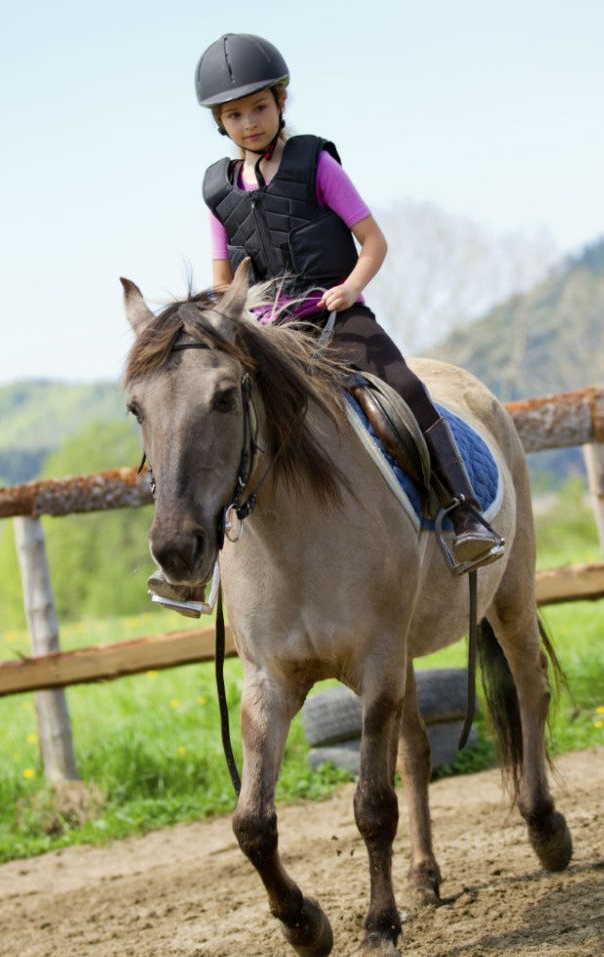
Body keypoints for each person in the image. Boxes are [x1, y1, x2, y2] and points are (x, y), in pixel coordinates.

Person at [193, 33, 504, 575]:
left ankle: (465, 513)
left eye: (260, 107)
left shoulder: (316, 163)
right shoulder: (218, 194)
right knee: (214, 418)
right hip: (269, 338)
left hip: (336, 317)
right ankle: (204, 566)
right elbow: (223, 287)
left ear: (281, 102)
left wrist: (352, 287)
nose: (250, 122)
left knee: (405, 389)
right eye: (235, 114)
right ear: (221, 122)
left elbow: (374, 240)